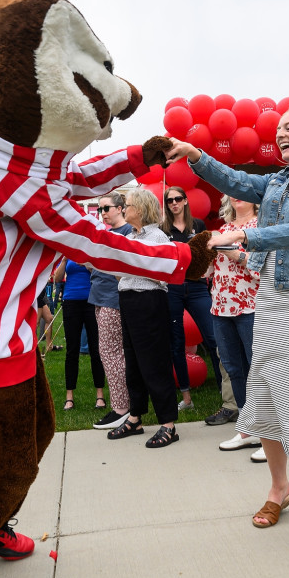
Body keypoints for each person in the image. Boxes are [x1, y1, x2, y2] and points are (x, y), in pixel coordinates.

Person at [169, 105, 289, 570]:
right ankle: (280, 488)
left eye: (288, 127)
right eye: (278, 130)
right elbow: (235, 181)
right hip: (270, 293)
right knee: (264, 392)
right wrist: (195, 155)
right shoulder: (277, 181)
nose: (281, 134)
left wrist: (239, 240)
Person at [107, 188, 183, 448]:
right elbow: (125, 275)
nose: (123, 209)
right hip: (128, 300)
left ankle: (168, 425)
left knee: (154, 363)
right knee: (134, 364)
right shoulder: (131, 235)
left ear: (139, 209)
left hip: (149, 301)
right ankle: (135, 417)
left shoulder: (157, 238)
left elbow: (162, 276)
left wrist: (133, 260)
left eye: (126, 205)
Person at [210, 196, 264, 456]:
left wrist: (235, 253)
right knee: (233, 368)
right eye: (231, 192)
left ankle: (269, 432)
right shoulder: (222, 230)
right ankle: (247, 428)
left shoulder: (260, 227)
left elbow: (265, 269)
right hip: (221, 307)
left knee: (258, 368)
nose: (236, 196)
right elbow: (208, 273)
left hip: (250, 306)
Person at [162, 185, 222, 410]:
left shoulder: (198, 225)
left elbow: (207, 254)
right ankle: (186, 398)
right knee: (176, 342)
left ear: (186, 201)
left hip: (197, 287)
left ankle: (224, 392)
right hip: (173, 288)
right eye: (169, 201)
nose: (174, 203)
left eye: (178, 199)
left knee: (214, 338)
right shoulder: (163, 228)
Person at [89, 192, 133, 430]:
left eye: (106, 208)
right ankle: (121, 405)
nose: (103, 213)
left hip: (113, 299)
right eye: (100, 209)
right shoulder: (106, 233)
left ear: (120, 208)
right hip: (99, 297)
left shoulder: (127, 233)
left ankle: (121, 409)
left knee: (111, 352)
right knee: (109, 352)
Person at [54, 258, 105, 411]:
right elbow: (57, 278)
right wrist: (64, 260)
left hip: (91, 301)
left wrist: (88, 264)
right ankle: (69, 397)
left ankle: (100, 395)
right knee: (72, 350)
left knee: (96, 350)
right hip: (71, 302)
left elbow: (100, 274)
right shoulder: (68, 253)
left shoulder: (88, 251)